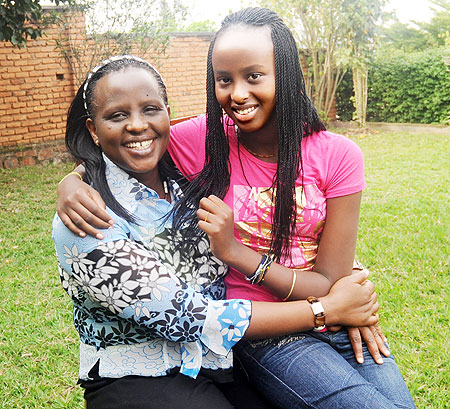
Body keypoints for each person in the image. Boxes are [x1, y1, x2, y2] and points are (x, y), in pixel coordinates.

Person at [56, 8, 416, 409]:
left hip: (337, 318)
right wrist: (72, 181)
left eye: (254, 76)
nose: (237, 93)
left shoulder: (338, 155)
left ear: (286, 73)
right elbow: (127, 141)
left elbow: (329, 279)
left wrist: (338, 303)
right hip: (266, 333)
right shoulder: (205, 140)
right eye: (224, 80)